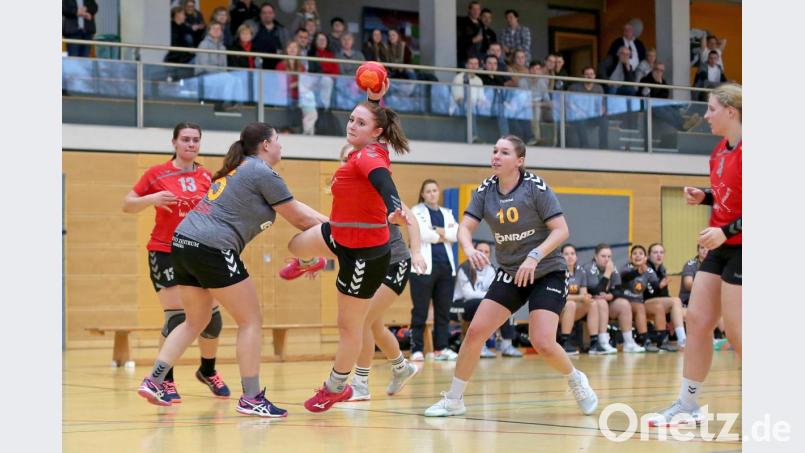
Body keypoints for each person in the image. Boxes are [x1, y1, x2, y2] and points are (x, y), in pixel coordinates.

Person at [136, 122, 328, 416]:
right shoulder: (261, 171)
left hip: (183, 244)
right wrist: (342, 237)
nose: (280, 145)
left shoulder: (246, 169)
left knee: (194, 321)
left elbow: (298, 207)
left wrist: (333, 226)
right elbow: (300, 220)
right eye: (277, 140)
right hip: (212, 247)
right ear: (265, 145)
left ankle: (154, 380)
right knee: (250, 320)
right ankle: (251, 398)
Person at [424, 135, 598, 417]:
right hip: (511, 272)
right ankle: (454, 399)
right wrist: (468, 248)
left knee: (541, 340)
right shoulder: (485, 190)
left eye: (504, 152)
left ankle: (575, 379)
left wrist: (534, 256)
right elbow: (464, 229)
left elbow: (561, 230)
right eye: (494, 151)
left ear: (519, 161)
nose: (496, 156)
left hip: (547, 271)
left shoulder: (535, 188)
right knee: (476, 332)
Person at [279, 81, 413, 413]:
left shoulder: (369, 157)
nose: (352, 125)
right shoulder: (358, 150)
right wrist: (374, 93)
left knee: (350, 326)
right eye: (351, 120)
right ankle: (311, 261)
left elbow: (384, 181)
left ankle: (336, 387)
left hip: (364, 253)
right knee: (296, 245)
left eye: (360, 123)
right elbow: (372, 117)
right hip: (339, 234)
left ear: (376, 133)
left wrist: (394, 206)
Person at [648, 83, 742, 427]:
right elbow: (728, 196)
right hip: (721, 247)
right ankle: (688, 405)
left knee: (737, 332)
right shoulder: (718, 152)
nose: (705, 115)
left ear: (731, 112)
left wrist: (726, 231)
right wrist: (704, 197)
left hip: (744, 246)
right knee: (698, 320)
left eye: (711, 109)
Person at [123, 122, 230, 403]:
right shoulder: (157, 174)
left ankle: (208, 370)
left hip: (200, 252)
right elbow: (127, 203)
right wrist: (151, 198)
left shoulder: (208, 176)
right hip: (165, 251)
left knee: (212, 320)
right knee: (177, 317)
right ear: (174, 143)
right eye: (185, 139)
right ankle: (165, 380)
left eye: (196, 140)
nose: (191, 144)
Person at [315, 145, 427, 402]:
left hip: (394, 264)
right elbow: (339, 238)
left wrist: (417, 251)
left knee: (361, 321)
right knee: (374, 324)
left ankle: (361, 383)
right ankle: (401, 367)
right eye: (344, 159)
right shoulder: (346, 197)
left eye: (351, 157)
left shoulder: (379, 190)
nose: (349, 162)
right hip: (366, 266)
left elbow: (410, 218)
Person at [409, 180, 460, 362]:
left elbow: (457, 234)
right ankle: (417, 349)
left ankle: (441, 348)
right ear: (422, 194)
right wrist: (444, 234)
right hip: (422, 269)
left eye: (434, 190)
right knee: (420, 310)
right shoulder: (416, 212)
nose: (432, 194)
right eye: (428, 191)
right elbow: (423, 234)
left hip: (446, 268)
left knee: (443, 311)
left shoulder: (447, 213)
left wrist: (439, 232)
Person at [453, 242, 521, 358]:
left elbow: (496, 292)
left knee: (505, 304)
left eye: (486, 252)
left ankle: (506, 345)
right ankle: (480, 346)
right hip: (459, 306)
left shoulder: (491, 270)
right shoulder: (464, 267)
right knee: (480, 304)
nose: (483, 254)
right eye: (480, 251)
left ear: (490, 255)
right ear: (474, 251)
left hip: (481, 303)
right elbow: (469, 294)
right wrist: (491, 297)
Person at [581, 244, 640, 353]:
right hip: (590, 306)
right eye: (603, 256)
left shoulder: (613, 268)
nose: (607, 259)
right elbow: (596, 292)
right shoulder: (589, 268)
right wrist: (608, 273)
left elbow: (619, 290)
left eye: (609, 256)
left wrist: (611, 296)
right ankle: (603, 342)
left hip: (605, 303)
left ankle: (629, 342)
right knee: (601, 302)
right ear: (595, 256)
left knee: (624, 304)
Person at [558, 244, 612, 355]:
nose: (570, 256)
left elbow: (584, 293)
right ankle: (565, 342)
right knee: (570, 304)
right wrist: (581, 297)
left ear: (576, 257)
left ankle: (594, 343)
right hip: (558, 310)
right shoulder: (557, 272)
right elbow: (561, 295)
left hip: (573, 309)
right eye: (566, 254)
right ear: (561, 256)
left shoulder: (580, 271)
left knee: (592, 303)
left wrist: (586, 297)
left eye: (572, 254)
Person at [615, 245, 660, 352]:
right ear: (631, 257)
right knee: (639, 307)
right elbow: (625, 277)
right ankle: (645, 339)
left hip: (639, 302)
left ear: (645, 258)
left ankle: (661, 340)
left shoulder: (649, 271)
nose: (638, 256)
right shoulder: (626, 268)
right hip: (624, 301)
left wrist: (659, 285)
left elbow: (655, 289)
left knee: (654, 306)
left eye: (641, 254)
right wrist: (638, 272)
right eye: (635, 253)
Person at [644, 243, 687, 351]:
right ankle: (682, 340)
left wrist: (671, 315)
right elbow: (649, 292)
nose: (659, 255)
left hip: (658, 302)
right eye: (655, 252)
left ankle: (706, 339)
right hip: (644, 303)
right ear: (649, 256)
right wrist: (659, 286)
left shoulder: (662, 270)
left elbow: (665, 295)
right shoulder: (646, 269)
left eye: (661, 252)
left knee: (685, 311)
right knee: (676, 301)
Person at [276, 41, 318, 135]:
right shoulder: (281, 65)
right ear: (286, 50)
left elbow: (304, 85)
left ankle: (308, 133)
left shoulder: (301, 67)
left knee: (312, 112)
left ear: (298, 50)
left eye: (295, 47)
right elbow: (283, 86)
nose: (292, 49)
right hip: (286, 96)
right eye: (290, 47)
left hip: (301, 97)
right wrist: (298, 83)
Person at [451, 56, 485, 142]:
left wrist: (480, 104)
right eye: (471, 64)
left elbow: (481, 98)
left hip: (475, 107)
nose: (473, 66)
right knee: (470, 106)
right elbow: (458, 98)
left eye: (476, 64)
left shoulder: (479, 80)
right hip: (460, 106)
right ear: (466, 65)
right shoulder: (459, 77)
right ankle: (474, 137)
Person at [252, 3, 288, 70]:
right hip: (257, 68)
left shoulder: (281, 30)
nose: (267, 15)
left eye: (270, 12)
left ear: (274, 14)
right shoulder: (253, 27)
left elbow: (287, 48)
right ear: (260, 15)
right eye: (264, 13)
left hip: (276, 69)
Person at [456, 1, 484, 66]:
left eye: (478, 9)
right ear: (469, 10)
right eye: (474, 9)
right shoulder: (462, 22)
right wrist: (472, 40)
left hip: (478, 57)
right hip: (465, 57)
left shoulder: (481, 23)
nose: (476, 11)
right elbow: (458, 41)